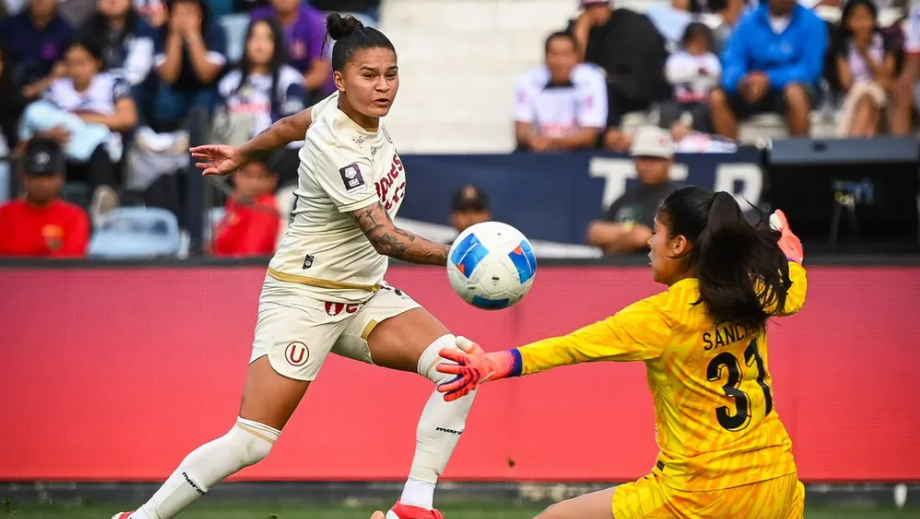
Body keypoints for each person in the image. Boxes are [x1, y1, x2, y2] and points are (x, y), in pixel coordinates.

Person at [113, 14, 477, 519]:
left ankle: (411, 507)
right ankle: (142, 518)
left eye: (390, 74)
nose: (383, 86)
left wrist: (242, 151)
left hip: (362, 294)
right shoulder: (338, 143)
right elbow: (383, 236)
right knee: (252, 442)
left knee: (461, 368)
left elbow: (290, 124)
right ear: (340, 80)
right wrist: (457, 252)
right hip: (304, 296)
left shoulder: (338, 111)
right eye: (369, 75)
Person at [434, 190, 808, 519]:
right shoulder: (754, 290)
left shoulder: (664, 315)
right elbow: (795, 293)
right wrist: (791, 258)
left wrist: (496, 363)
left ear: (679, 245)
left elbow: (573, 347)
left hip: (700, 491)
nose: (649, 242)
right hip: (776, 479)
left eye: (657, 232)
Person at [709, 0, 827, 139]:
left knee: (794, 93)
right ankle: (733, 155)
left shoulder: (813, 22)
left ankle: (798, 156)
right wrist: (740, 81)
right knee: (716, 97)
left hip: (794, 87)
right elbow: (732, 59)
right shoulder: (748, 21)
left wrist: (769, 78)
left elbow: (810, 69)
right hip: (753, 88)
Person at [587, 126, 681, 255]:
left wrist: (617, 243)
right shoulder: (625, 199)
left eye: (655, 159)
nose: (647, 165)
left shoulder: (679, 198)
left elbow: (646, 238)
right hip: (619, 272)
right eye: (643, 158)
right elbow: (595, 232)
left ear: (670, 161)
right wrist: (631, 232)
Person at [216, 17, 307, 143]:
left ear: (277, 43)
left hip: (279, 153)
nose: (259, 44)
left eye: (267, 38)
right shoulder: (229, 82)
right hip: (235, 150)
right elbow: (219, 125)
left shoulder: (291, 79)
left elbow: (290, 127)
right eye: (254, 37)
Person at [513, 31, 607, 152]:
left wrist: (552, 141)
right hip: (538, 151)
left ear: (577, 57)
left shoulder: (592, 80)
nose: (560, 62)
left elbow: (589, 135)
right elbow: (521, 129)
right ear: (545, 57)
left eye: (566, 55)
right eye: (554, 54)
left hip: (578, 153)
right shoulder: (528, 80)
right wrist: (531, 139)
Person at [0, 139, 90, 256]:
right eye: (37, 177)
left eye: (49, 177)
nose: (43, 183)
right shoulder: (6, 213)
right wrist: (45, 248)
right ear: (24, 179)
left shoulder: (74, 215)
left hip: (58, 274)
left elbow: (71, 258)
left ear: (60, 180)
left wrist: (25, 249)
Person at [835, 0, 897, 137]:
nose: (862, 24)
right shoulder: (843, 46)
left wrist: (865, 54)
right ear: (847, 22)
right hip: (853, 96)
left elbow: (887, 76)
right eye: (856, 19)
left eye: (866, 18)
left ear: (874, 20)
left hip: (882, 93)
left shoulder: (885, 42)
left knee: (869, 100)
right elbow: (846, 83)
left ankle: (853, 151)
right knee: (867, 104)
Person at [0, 0, 73, 99]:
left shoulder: (66, 32)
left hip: (47, 94)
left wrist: (38, 87)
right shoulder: (8, 27)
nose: (39, 1)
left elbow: (65, 70)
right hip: (8, 89)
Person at [212, 160, 281, 257]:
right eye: (247, 175)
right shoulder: (234, 202)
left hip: (246, 269)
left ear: (271, 181)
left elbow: (251, 255)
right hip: (220, 268)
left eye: (259, 176)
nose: (253, 182)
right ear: (236, 176)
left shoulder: (265, 207)